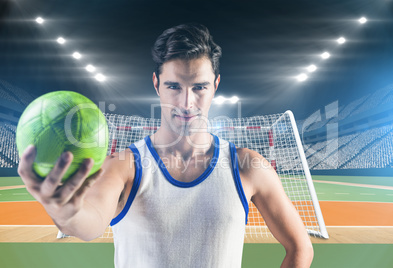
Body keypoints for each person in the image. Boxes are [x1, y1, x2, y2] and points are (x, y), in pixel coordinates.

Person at [18, 23, 313, 267]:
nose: (186, 103)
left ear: (216, 86)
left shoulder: (248, 167)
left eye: (199, 87)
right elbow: (90, 222)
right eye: (174, 86)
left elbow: (300, 248)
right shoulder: (124, 166)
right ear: (157, 84)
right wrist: (66, 214)